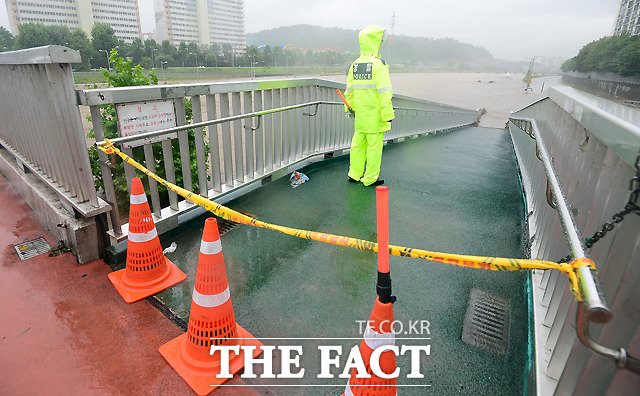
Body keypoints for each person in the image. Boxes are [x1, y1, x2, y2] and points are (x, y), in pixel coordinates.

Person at [343, 25, 395, 187]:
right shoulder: (379, 65)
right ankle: (370, 178)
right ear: (375, 42)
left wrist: (349, 109)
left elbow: (349, 91)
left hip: (360, 117)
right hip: (375, 117)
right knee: (374, 148)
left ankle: (354, 173)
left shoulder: (355, 65)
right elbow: (385, 92)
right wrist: (388, 115)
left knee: (357, 146)